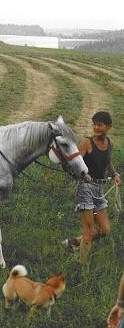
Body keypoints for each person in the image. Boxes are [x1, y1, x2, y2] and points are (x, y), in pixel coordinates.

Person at [61, 111, 120, 264]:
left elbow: (107, 161)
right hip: (85, 188)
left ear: (109, 127)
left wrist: (114, 174)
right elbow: (73, 164)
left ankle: (72, 243)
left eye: (99, 125)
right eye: (94, 124)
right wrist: (83, 175)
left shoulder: (110, 143)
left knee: (104, 230)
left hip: (99, 188)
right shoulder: (86, 143)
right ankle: (81, 267)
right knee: (89, 232)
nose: (96, 128)